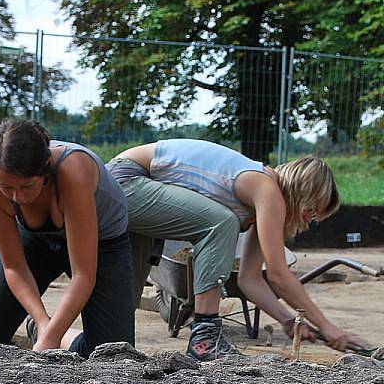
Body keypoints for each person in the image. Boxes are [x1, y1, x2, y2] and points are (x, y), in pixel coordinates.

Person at [107, 139, 354, 361]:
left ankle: (104, 351)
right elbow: (279, 275)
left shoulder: (260, 198)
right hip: (128, 180)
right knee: (222, 222)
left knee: (119, 315)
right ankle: (205, 339)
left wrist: (288, 320)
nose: (309, 221)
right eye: (311, 210)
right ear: (302, 192)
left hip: (131, 188)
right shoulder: (267, 188)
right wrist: (326, 325)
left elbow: (250, 280)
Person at [0, 119, 134, 358]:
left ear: (45, 168)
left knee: (113, 357)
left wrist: (52, 337)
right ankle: (41, 328)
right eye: (7, 187)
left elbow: (83, 275)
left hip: (102, 243)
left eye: (26, 186)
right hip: (35, 241)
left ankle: (66, 336)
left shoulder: (71, 172)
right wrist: (43, 323)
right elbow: (13, 266)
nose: (17, 197)